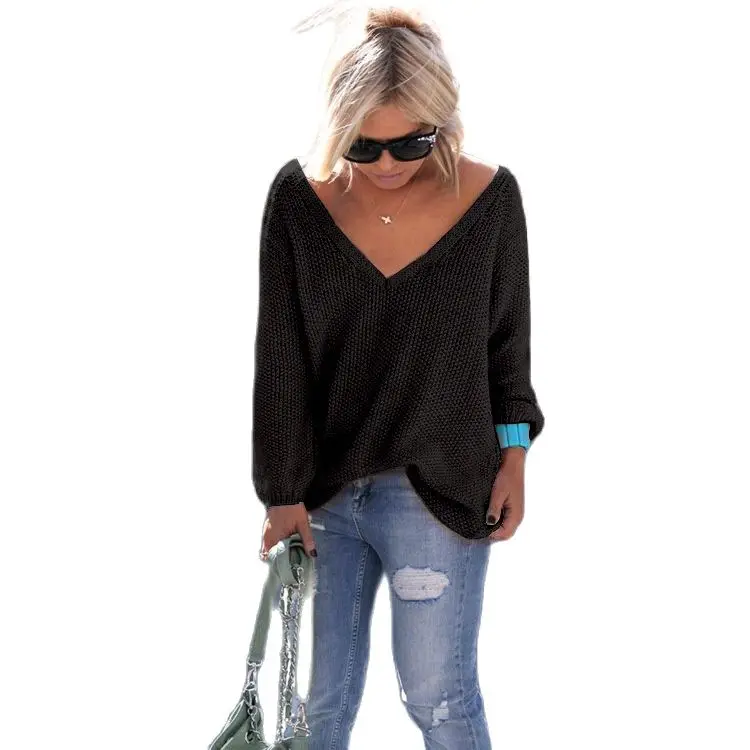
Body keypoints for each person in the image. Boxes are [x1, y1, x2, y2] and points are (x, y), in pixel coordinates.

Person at [253, 6, 545, 749]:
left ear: (444, 122)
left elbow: (506, 349)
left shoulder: (490, 201)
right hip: (322, 494)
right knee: (313, 710)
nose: (386, 165)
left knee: (440, 699)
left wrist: (514, 457)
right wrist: (280, 492)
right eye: (363, 145)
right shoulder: (298, 201)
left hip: (439, 490)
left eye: (411, 143)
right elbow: (281, 358)